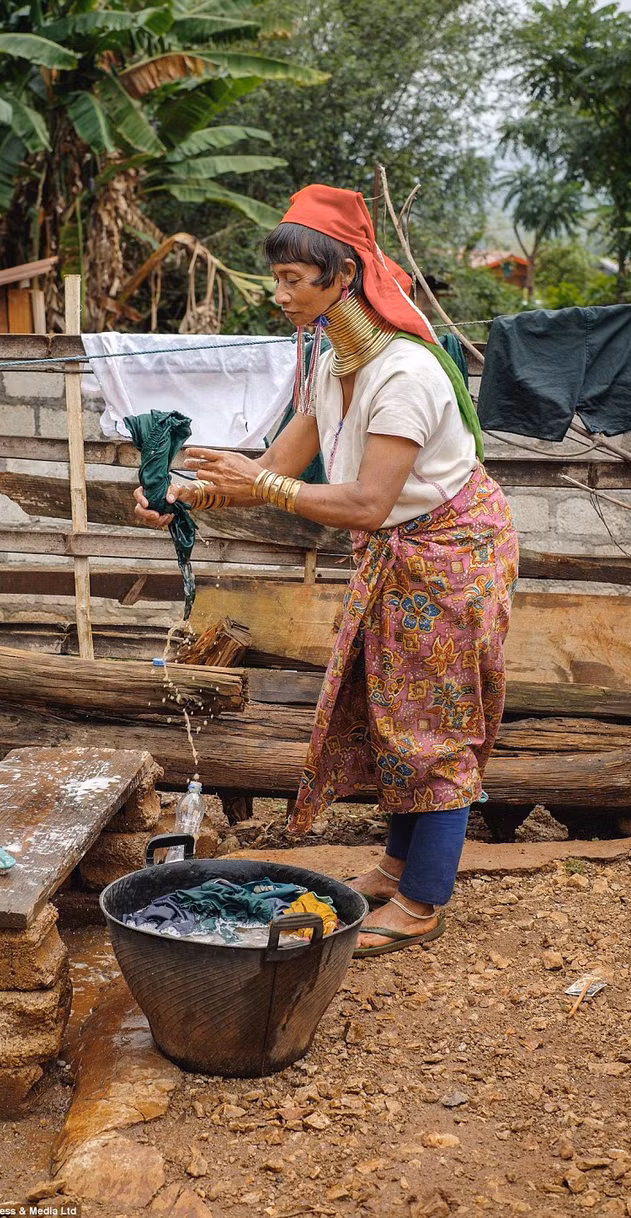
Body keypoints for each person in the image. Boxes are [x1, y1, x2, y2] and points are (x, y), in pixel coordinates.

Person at [134, 183, 519, 957]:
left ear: (342, 277)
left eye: (291, 281)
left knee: (432, 726)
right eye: (275, 278)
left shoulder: (404, 375)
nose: (277, 294)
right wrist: (186, 498)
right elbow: (278, 467)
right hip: (398, 552)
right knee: (392, 711)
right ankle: (400, 864)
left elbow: (368, 502)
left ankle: (421, 902)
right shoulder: (333, 360)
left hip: (448, 557)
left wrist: (256, 483)